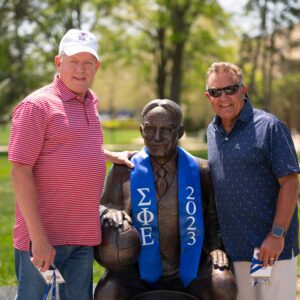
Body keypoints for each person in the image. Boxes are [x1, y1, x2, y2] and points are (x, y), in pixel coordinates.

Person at [8, 28, 134, 300]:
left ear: (97, 66)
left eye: (88, 62)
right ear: (58, 62)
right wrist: (38, 239)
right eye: (73, 61)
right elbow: (20, 172)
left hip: (83, 237)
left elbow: (75, 145)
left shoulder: (91, 102)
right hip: (43, 240)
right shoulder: (37, 106)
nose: (81, 69)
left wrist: (110, 156)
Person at [94, 99, 237, 300]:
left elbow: (213, 219)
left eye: (167, 130)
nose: (157, 137)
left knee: (222, 286)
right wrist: (110, 214)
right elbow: (102, 209)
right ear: (141, 131)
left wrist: (216, 248)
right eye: (151, 129)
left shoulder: (201, 170)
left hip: (190, 265)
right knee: (108, 292)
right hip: (136, 270)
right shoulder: (122, 171)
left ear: (180, 132)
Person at [205, 62, 299, 300]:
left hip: (267, 250)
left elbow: (290, 182)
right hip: (235, 251)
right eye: (216, 92)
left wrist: (277, 235)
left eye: (231, 89)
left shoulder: (270, 127)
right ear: (209, 97)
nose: (223, 97)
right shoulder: (212, 132)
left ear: (243, 90)